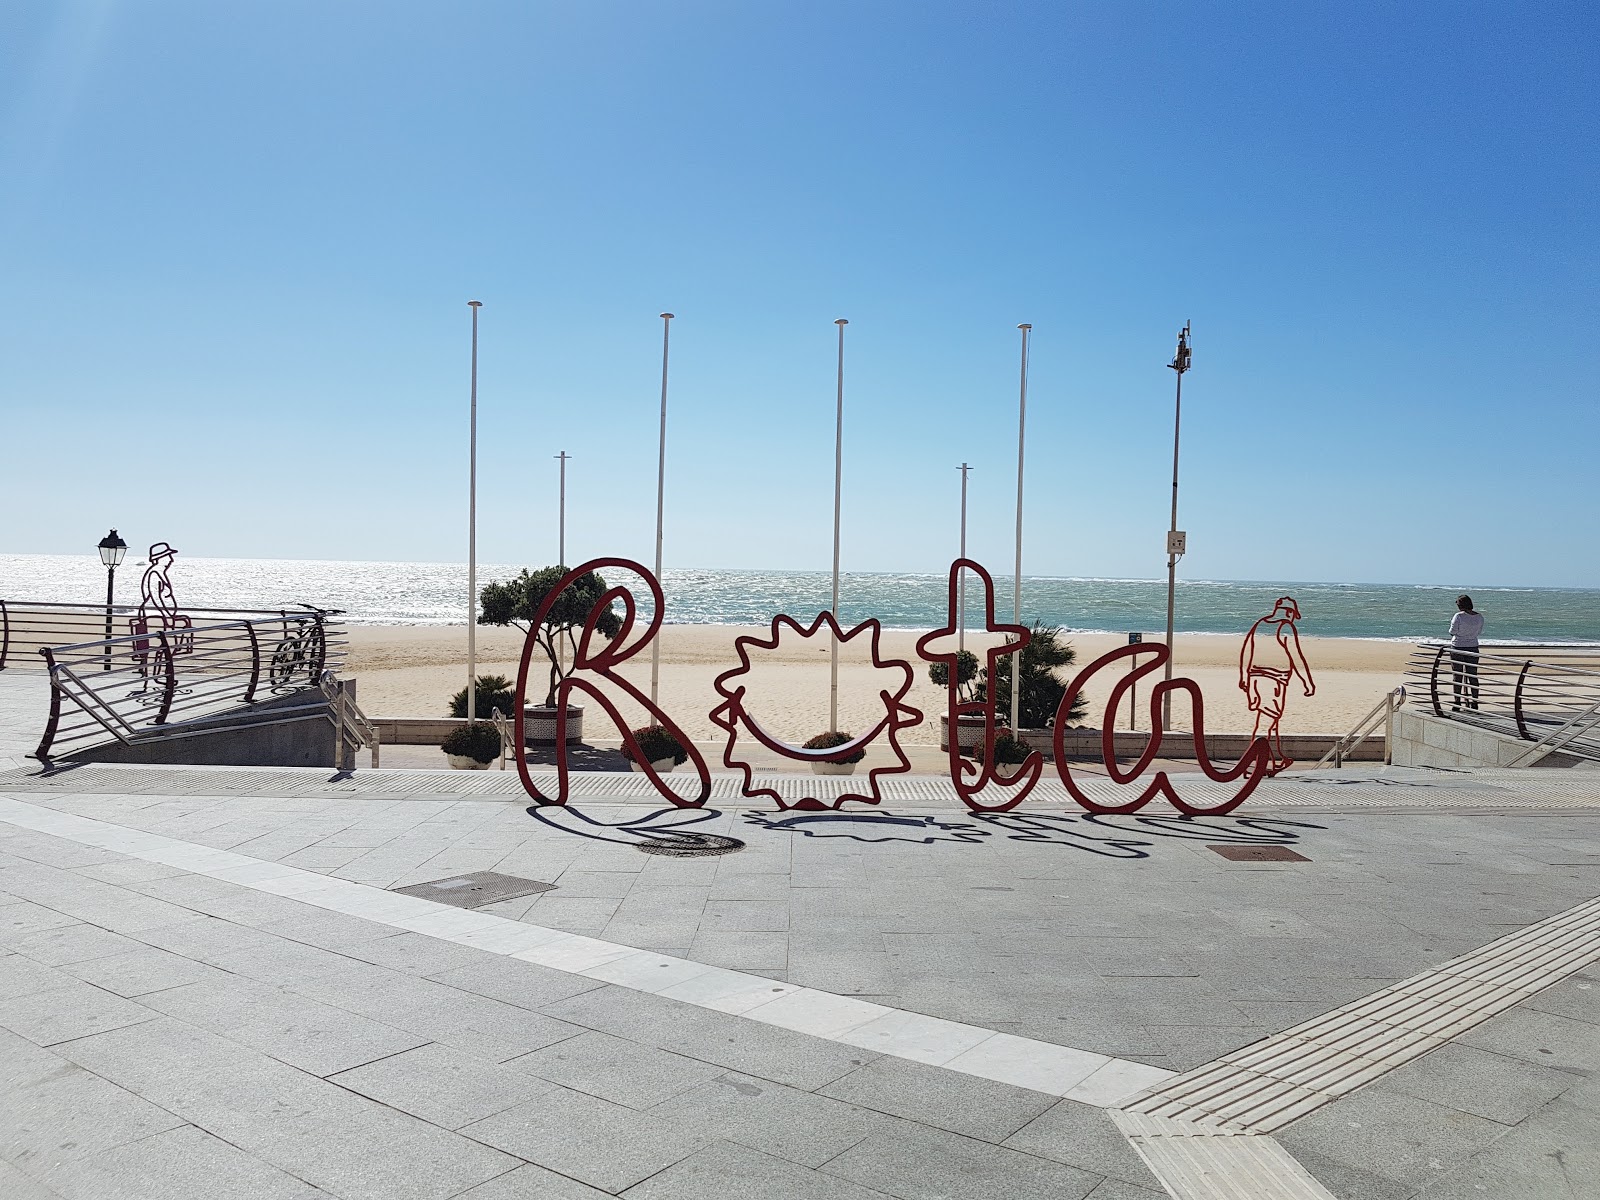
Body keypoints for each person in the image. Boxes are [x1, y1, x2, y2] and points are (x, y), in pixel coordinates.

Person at [1239, 596, 1316, 774]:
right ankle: (1256, 766)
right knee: (1266, 723)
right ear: (1288, 612)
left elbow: (1247, 652)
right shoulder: (1285, 627)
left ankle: (1274, 760)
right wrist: (1307, 682)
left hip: (1255, 679)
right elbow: (1296, 656)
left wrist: (1244, 677)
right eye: (1292, 615)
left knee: (1267, 721)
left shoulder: (1259, 625)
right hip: (1272, 681)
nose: (1292, 619)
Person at [1449, 594, 1484, 711]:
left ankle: (1457, 702)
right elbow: (1478, 632)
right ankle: (1475, 702)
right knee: (1472, 675)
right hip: (1473, 646)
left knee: (1457, 676)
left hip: (1458, 646)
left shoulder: (1458, 616)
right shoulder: (1479, 617)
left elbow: (1452, 631)